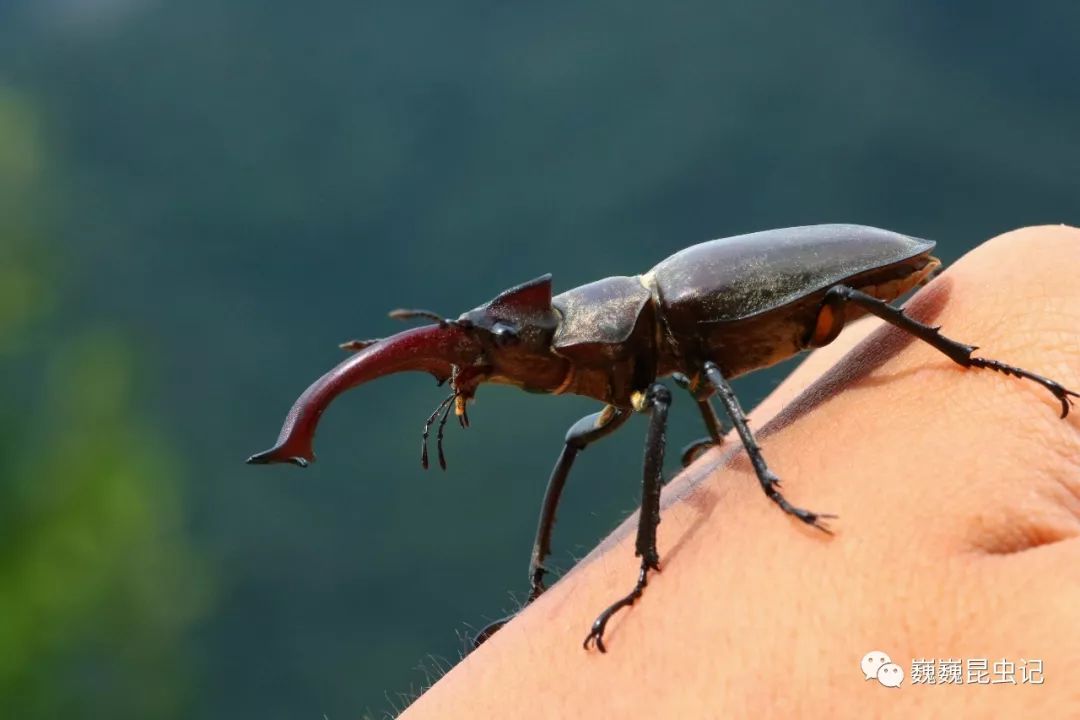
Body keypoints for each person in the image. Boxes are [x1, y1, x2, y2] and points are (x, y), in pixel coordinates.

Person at [402, 226, 1080, 719]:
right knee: (598, 430)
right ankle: (541, 586)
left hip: (855, 283)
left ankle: (972, 360)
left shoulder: (675, 313)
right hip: (745, 326)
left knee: (798, 322)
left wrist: (761, 478)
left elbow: (704, 378)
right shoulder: (646, 342)